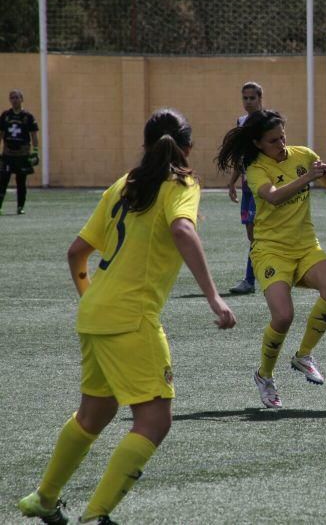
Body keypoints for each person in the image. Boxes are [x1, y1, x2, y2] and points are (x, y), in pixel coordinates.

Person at [17, 109, 236, 524]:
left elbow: (76, 253)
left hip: (95, 313)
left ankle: (44, 498)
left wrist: (91, 299)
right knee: (155, 420)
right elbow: (182, 230)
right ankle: (95, 516)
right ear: (187, 148)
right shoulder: (181, 183)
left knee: (92, 416)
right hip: (131, 319)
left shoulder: (123, 185)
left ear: (144, 144)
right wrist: (214, 297)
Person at [216, 109, 326, 408]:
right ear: (258, 144)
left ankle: (304, 355)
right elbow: (273, 196)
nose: (281, 144)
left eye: (283, 136)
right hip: (270, 250)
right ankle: (264, 375)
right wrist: (309, 179)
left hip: (305, 246)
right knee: (283, 316)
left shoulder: (302, 155)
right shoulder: (255, 169)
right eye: (273, 140)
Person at [227, 81, 264, 294]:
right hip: (247, 186)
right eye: (245, 98)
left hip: (262, 186)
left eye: (252, 98)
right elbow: (241, 156)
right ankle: (253, 278)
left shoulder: (268, 121)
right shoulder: (241, 122)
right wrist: (233, 181)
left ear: (260, 98)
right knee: (252, 235)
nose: (248, 102)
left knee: (258, 233)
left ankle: (250, 280)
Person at [0, 89, 39, 215]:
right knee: (2, 181)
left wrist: (35, 151)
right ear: (10, 100)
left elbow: (33, 135)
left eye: (17, 97)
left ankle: (20, 207)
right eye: (12, 97)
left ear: (22, 99)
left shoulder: (28, 117)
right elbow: (1, 134)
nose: (14, 100)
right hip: (8, 154)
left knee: (21, 182)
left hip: (22, 155)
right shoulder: (5, 115)